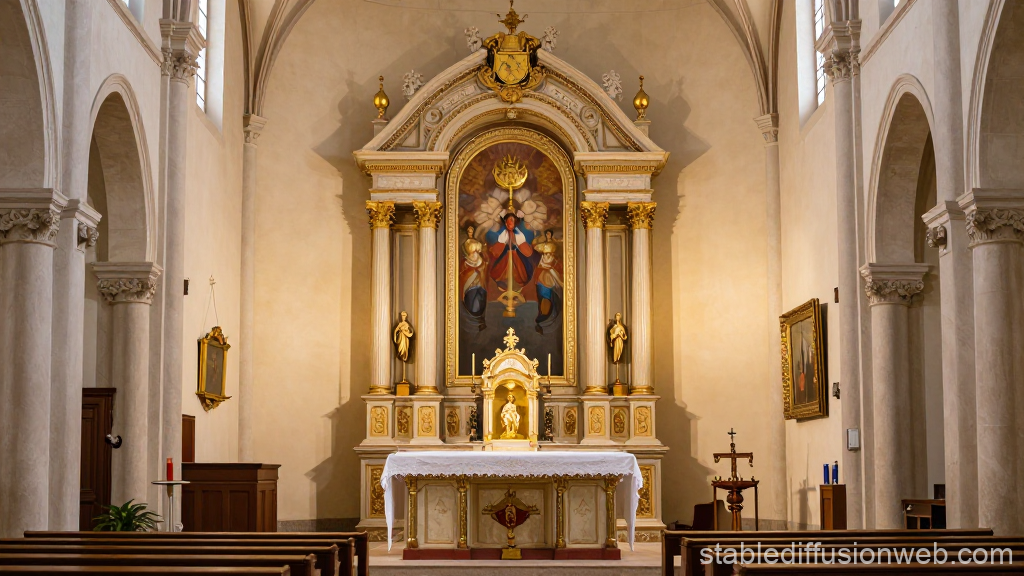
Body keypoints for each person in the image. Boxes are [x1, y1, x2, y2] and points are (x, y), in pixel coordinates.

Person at [488, 213, 534, 289]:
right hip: (506, 254)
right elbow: (500, 245)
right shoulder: (504, 233)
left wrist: (517, 244)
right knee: (500, 269)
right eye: (507, 221)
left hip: (516, 254)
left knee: (520, 271)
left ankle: (517, 285)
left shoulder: (519, 234)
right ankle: (504, 284)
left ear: (515, 222)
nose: (509, 223)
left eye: (511, 220)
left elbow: (523, 246)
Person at [532, 229, 563, 333]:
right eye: (545, 255)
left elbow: (560, 281)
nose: (547, 257)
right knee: (545, 305)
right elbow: (537, 281)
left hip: (552, 294)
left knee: (553, 306)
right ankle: (541, 322)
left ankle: (543, 323)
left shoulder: (555, 267)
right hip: (544, 292)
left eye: (549, 255)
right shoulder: (540, 269)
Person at [460, 225, 488, 329]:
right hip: (470, 288)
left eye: (472, 230)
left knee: (481, 301)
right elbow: (463, 275)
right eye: (469, 230)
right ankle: (474, 321)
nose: (470, 231)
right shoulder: (465, 263)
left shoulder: (481, 262)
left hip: (479, 286)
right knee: (472, 303)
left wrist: (480, 271)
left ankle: (480, 320)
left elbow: (484, 272)